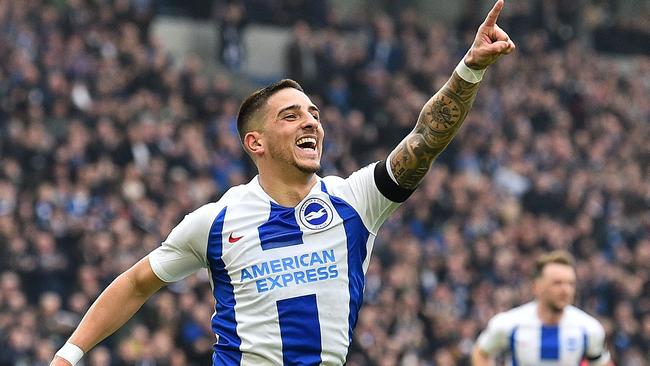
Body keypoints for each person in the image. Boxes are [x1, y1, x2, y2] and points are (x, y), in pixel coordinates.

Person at [51, 1, 515, 365]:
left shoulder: (355, 201)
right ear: (255, 142)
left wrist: (469, 69)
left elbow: (424, 139)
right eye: (290, 116)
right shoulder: (217, 221)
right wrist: (68, 355)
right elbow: (136, 283)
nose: (309, 123)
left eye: (314, 114)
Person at [471, 250, 612, 366]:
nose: (566, 290)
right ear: (537, 287)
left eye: (571, 284)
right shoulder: (509, 324)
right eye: (557, 283)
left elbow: (602, 363)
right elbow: (481, 353)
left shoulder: (589, 329)